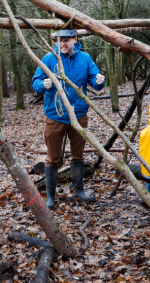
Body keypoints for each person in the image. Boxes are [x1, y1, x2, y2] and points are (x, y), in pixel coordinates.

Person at [32, 29, 105, 209]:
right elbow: (35, 82)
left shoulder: (85, 58)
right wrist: (43, 84)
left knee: (78, 155)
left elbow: (95, 83)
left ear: (75, 39)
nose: (62, 44)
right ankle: (50, 197)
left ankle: (78, 190)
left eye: (66, 40)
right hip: (55, 116)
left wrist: (100, 80)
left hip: (79, 115)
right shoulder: (49, 58)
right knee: (52, 158)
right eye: (59, 40)